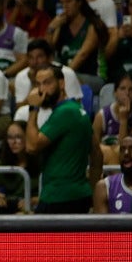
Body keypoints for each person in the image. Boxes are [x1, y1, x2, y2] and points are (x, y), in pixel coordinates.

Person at [24, 64, 100, 214]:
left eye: (47, 83)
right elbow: (97, 154)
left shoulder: (65, 112)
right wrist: (92, 192)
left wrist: (33, 109)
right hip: (79, 195)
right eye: (38, 84)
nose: (41, 90)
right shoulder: (78, 110)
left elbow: (32, 146)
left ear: (61, 83)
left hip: (59, 198)